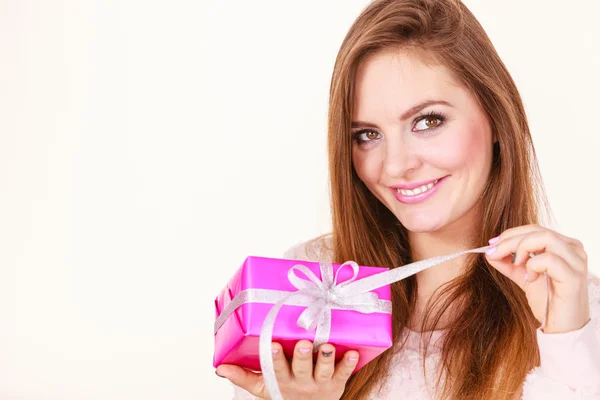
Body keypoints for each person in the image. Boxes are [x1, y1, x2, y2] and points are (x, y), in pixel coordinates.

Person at [215, 0, 600, 398]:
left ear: (497, 117)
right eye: (367, 134)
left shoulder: (576, 310)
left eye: (428, 121)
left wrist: (568, 344)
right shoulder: (311, 290)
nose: (395, 166)